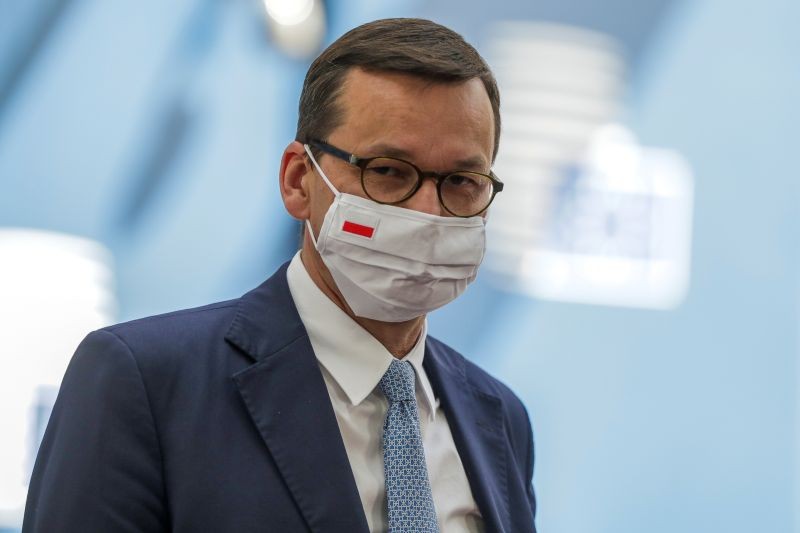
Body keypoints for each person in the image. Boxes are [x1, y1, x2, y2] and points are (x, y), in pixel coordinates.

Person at [23, 18, 537, 533]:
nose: (430, 212)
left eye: (462, 182)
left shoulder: (498, 417)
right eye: (387, 171)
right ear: (298, 181)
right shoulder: (144, 382)